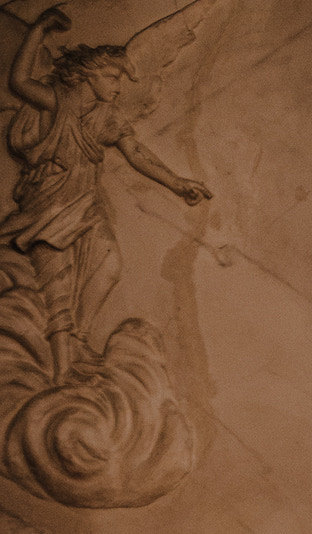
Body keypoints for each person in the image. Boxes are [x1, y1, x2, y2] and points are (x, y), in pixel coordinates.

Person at [2, 13, 212, 383]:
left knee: (110, 264)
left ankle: (77, 341)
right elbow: (18, 81)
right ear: (88, 75)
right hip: (48, 204)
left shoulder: (108, 117)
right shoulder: (57, 101)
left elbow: (137, 154)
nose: (119, 86)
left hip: (85, 204)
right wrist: (37, 31)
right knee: (58, 286)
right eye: (113, 77)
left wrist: (177, 182)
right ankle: (60, 373)